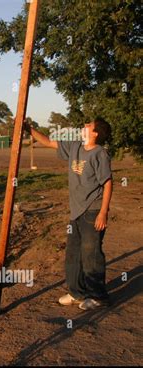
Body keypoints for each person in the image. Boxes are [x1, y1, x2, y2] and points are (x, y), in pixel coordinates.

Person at [25, 117, 113, 311]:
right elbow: (48, 141)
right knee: (73, 254)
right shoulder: (74, 147)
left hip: (93, 210)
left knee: (91, 254)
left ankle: (98, 296)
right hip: (76, 211)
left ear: (96, 133)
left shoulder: (100, 154)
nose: (85, 126)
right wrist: (29, 129)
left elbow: (107, 183)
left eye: (89, 125)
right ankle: (77, 293)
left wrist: (103, 212)